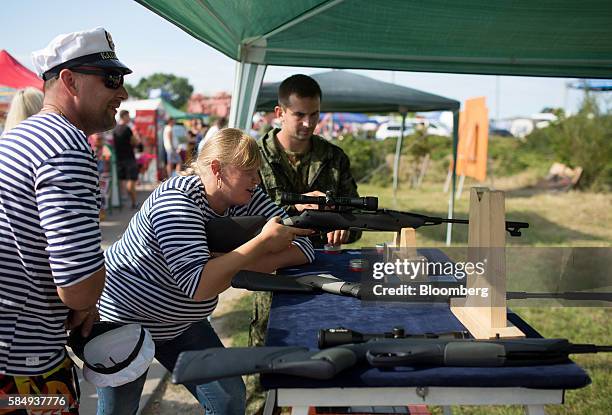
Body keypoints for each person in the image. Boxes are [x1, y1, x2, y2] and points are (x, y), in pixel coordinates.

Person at [97, 128, 315, 415]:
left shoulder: (246, 197)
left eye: (257, 171)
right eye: (248, 171)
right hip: (126, 320)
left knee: (228, 398)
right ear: (216, 169)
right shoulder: (176, 201)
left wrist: (224, 261)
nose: (257, 180)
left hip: (181, 323)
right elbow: (200, 286)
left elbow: (303, 247)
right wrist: (260, 244)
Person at [0, 27, 131, 412]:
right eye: (111, 80)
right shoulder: (65, 147)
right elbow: (77, 286)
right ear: (69, 81)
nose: (121, 93)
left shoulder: (20, 137)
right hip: (25, 368)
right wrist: (87, 300)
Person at [247, 74, 362, 414]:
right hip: (272, 269)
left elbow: (356, 219)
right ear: (279, 113)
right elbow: (243, 218)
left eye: (315, 115)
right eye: (300, 115)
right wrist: (292, 208)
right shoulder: (254, 157)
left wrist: (344, 228)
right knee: (267, 357)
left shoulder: (334, 158)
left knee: (329, 352)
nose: (309, 123)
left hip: (326, 270)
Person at [113, 110, 140, 208]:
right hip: (129, 158)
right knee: (131, 181)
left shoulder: (115, 129)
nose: (129, 118)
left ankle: (122, 202)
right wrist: (136, 137)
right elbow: (135, 142)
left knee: (122, 181)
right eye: (128, 116)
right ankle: (134, 202)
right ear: (124, 116)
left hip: (119, 159)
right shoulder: (127, 129)